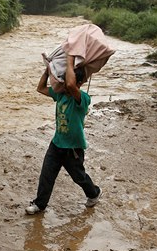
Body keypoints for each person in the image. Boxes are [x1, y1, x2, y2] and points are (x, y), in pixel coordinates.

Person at [25, 65, 102, 215]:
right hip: (56, 144)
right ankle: (39, 204)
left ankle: (94, 193)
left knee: (79, 177)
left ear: (79, 83)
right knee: (46, 175)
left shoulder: (83, 99)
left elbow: (71, 85)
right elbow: (40, 88)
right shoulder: (60, 94)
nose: (64, 83)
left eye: (67, 80)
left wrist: (70, 58)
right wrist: (47, 72)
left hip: (73, 148)